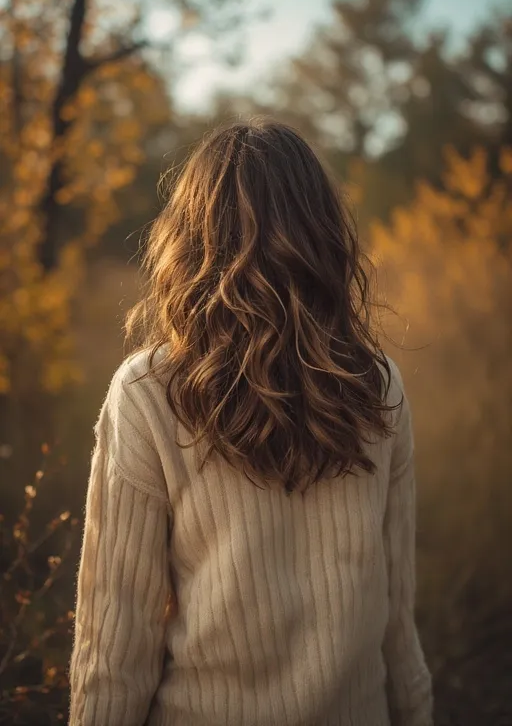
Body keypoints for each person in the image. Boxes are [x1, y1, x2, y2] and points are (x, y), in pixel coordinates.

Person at [69, 119, 433, 726]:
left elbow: (115, 642)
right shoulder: (378, 384)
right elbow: (398, 619)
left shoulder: (147, 392)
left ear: (189, 241)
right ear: (324, 238)